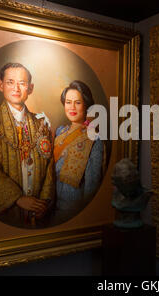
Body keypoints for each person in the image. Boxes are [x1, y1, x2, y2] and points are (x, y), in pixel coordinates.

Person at [0, 62, 55, 228]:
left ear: (30, 88)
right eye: (10, 82)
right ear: (0, 85)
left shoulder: (41, 124)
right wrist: (17, 198)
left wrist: (43, 202)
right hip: (6, 216)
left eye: (22, 83)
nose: (16, 88)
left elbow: (49, 165)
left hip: (39, 214)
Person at [52, 80, 105, 224]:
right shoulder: (59, 132)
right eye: (68, 102)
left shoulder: (94, 138)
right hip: (50, 206)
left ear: (86, 105)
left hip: (72, 211)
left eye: (78, 102)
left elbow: (91, 186)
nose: (72, 107)